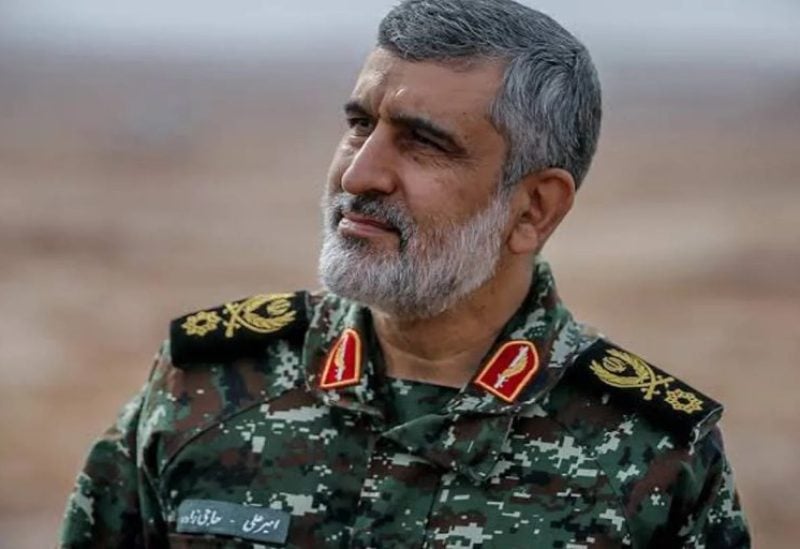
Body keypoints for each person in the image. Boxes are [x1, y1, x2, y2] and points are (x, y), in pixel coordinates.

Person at [59, 0, 750, 547]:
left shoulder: (653, 457)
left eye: (423, 143)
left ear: (533, 208)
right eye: (360, 125)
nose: (360, 175)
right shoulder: (208, 387)